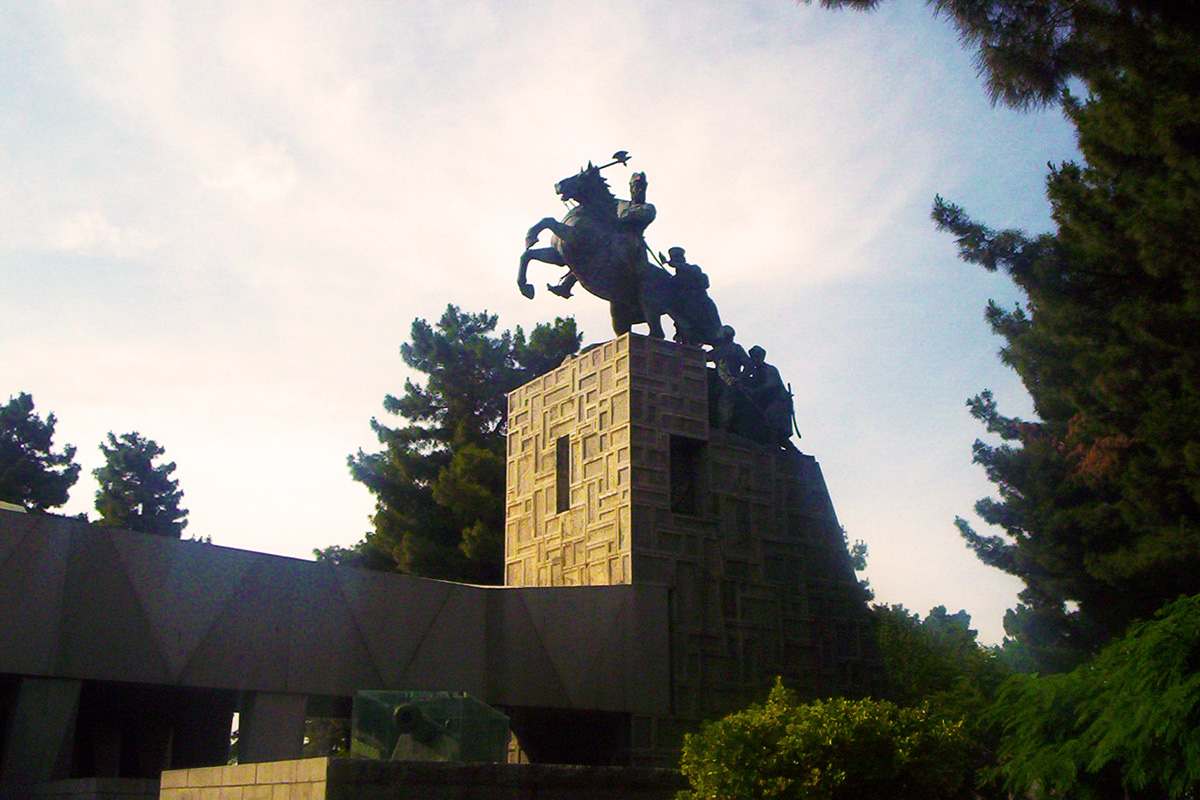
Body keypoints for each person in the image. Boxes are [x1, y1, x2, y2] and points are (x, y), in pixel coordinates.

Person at [548, 172, 656, 298]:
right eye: (635, 186)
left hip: (629, 240)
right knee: (590, 244)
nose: (637, 190)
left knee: (616, 243)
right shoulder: (618, 203)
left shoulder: (642, 206)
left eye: (640, 187)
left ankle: (634, 276)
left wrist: (624, 218)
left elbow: (643, 214)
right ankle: (567, 283)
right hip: (612, 234)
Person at [664, 246, 721, 345]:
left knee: (713, 330)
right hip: (685, 307)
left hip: (700, 304)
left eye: (678, 259)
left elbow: (701, 281)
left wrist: (671, 264)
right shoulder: (674, 279)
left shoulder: (693, 269)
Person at [743, 345, 796, 448]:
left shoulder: (770, 369)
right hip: (768, 402)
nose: (755, 359)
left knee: (771, 418)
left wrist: (757, 391)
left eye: (757, 356)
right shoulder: (756, 373)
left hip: (780, 401)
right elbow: (748, 383)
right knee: (765, 422)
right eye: (753, 357)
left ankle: (774, 445)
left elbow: (771, 384)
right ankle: (774, 443)